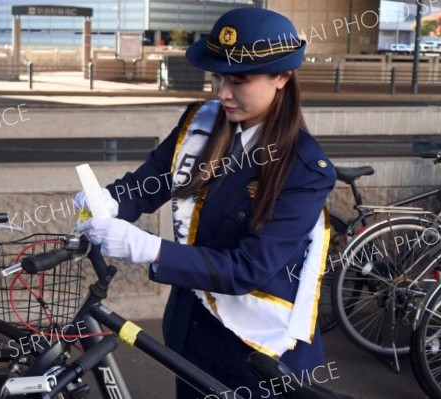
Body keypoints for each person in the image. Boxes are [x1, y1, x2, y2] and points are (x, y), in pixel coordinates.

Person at [75, 7, 337, 398]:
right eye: (217, 78)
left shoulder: (305, 169)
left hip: (256, 350)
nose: (222, 93)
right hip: (191, 330)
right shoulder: (201, 121)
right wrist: (108, 201)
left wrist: (145, 247)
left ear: (282, 77)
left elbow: (248, 268)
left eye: (239, 81)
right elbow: (150, 183)